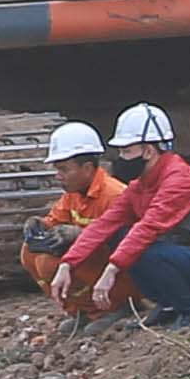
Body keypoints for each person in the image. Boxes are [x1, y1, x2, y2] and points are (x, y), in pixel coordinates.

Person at [50, 100, 190, 326]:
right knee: (119, 235)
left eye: (126, 151)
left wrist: (111, 269)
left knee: (143, 250)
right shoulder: (141, 185)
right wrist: (68, 264)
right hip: (185, 259)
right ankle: (169, 305)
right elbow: (105, 224)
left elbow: (148, 228)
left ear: (148, 151)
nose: (121, 158)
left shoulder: (180, 180)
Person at [20, 119, 121, 295]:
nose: (58, 176)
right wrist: (40, 224)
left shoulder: (114, 195)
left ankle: (111, 308)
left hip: (115, 269)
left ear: (88, 168)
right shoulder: (74, 192)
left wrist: (81, 235)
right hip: (90, 258)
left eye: (64, 170)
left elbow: (126, 243)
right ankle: (80, 312)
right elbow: (56, 219)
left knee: (49, 264)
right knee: (28, 252)